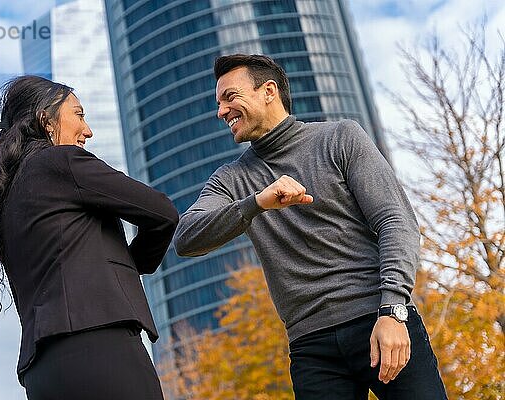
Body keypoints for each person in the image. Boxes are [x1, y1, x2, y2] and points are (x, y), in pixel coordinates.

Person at [173, 54, 447, 399]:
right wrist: (257, 202)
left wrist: (393, 308)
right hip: (311, 348)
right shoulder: (231, 179)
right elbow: (186, 237)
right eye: (218, 103)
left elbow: (396, 221)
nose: (221, 111)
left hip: (378, 318)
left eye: (230, 97)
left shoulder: (340, 137)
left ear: (268, 91)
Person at [0, 75, 178, 400]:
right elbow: (161, 211)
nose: (88, 130)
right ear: (46, 120)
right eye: (78, 114)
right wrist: (132, 267)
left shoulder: (5, 199)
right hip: (99, 347)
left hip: (42, 370)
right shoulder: (59, 161)